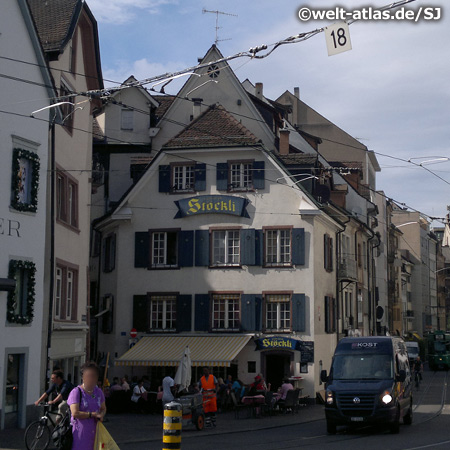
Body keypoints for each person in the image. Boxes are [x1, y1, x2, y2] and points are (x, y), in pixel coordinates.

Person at [68, 361, 106, 450]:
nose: (91, 378)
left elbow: (103, 408)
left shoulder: (98, 392)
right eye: (88, 375)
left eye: (93, 376)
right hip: (80, 433)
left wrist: (101, 415)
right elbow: (75, 413)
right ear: (83, 377)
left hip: (96, 432)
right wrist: (92, 414)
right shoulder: (76, 392)